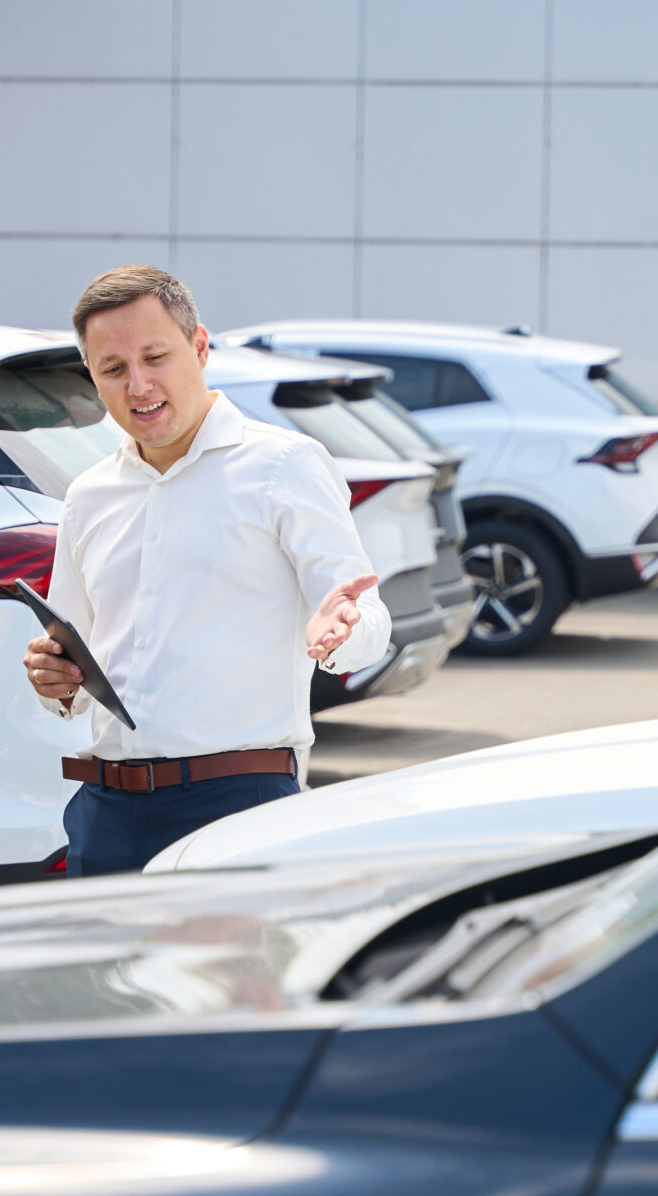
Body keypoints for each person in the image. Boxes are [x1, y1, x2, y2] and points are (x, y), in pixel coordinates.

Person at [25, 265, 389, 875]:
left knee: (223, 977)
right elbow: (74, 656)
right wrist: (53, 681)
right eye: (113, 369)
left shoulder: (283, 465)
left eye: (155, 357)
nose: (138, 385)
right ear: (92, 376)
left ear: (198, 347)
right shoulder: (89, 494)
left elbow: (367, 616)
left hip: (237, 807)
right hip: (102, 814)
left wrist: (344, 630)